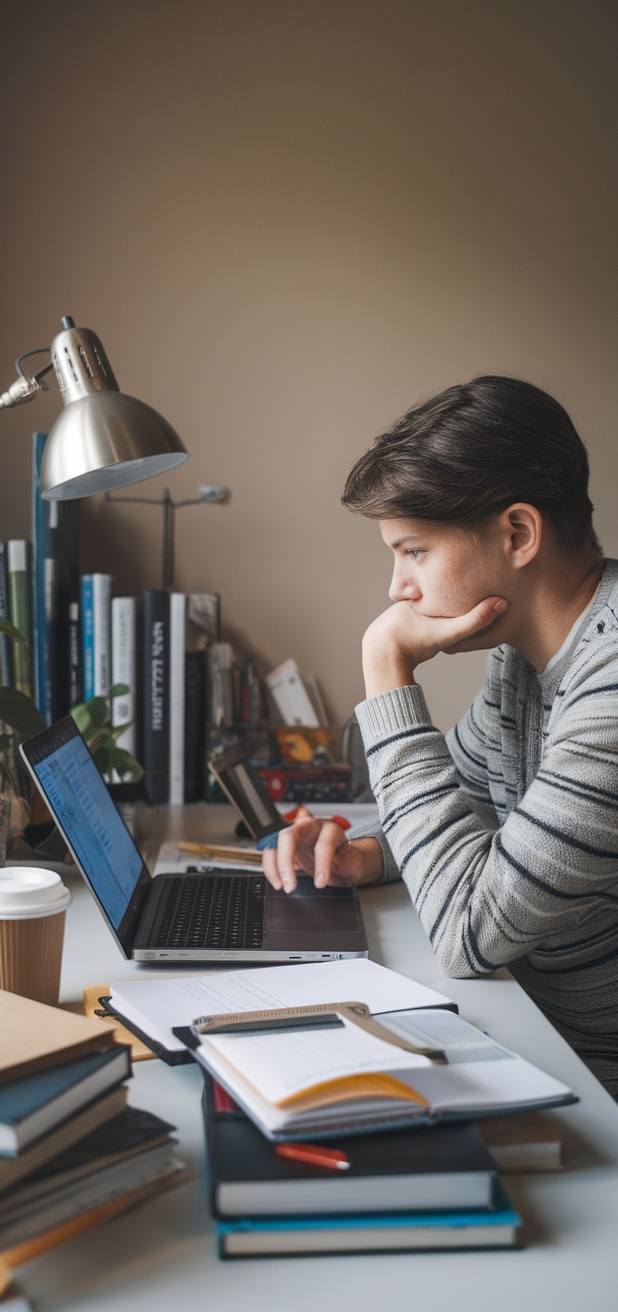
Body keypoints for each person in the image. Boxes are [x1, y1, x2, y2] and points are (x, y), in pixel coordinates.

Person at [262, 375, 618, 1097]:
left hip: (595, 1087)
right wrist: (365, 856)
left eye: (414, 551)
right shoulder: (526, 660)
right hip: (544, 1041)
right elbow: (470, 812)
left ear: (518, 534)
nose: (398, 588)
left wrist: (385, 670)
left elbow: (467, 929)